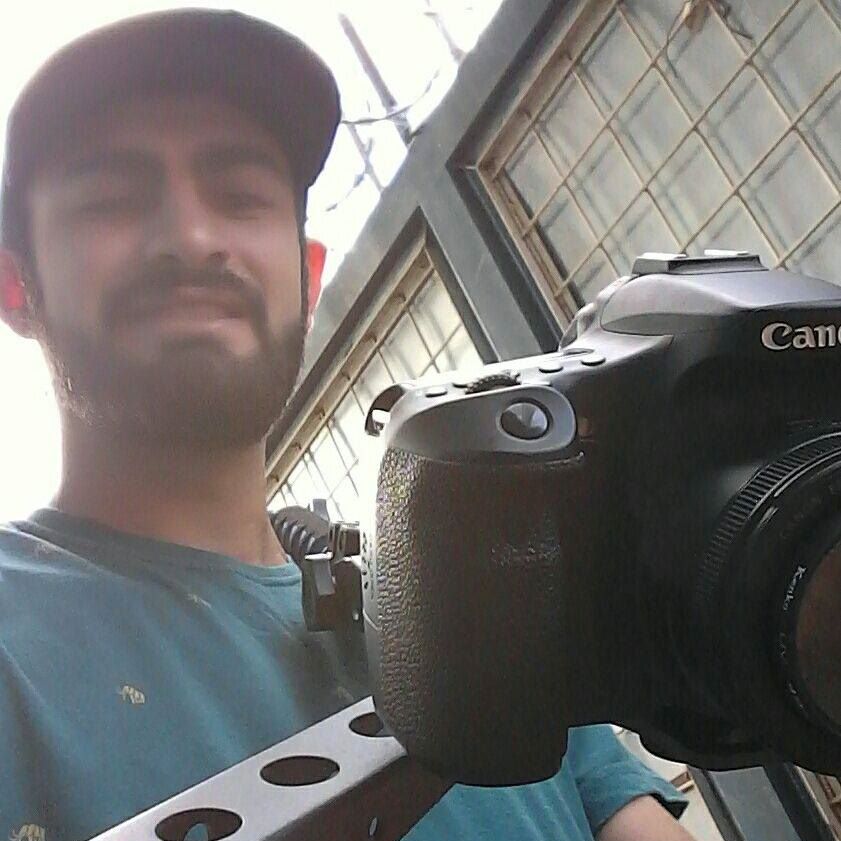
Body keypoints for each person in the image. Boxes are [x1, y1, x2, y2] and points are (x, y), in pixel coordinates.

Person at [0, 10, 698, 841]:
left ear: (307, 277)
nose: (190, 238)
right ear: (15, 285)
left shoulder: (480, 604)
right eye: (111, 202)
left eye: (240, 197)